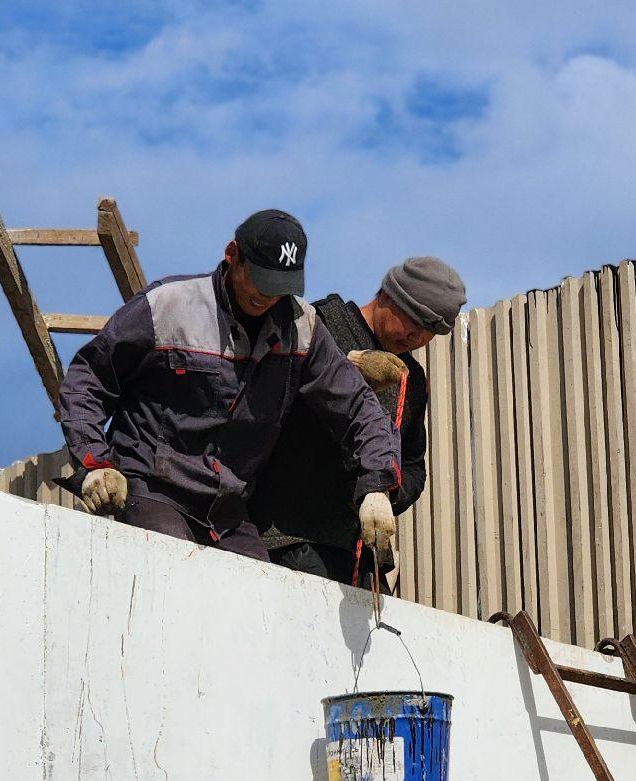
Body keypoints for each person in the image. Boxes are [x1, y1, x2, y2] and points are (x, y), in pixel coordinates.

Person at [55, 209, 400, 561]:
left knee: (260, 597)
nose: (267, 297)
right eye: (260, 279)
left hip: (228, 512)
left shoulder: (303, 330)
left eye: (280, 287)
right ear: (232, 255)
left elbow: (360, 407)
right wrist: (94, 464)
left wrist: (377, 485)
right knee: (170, 566)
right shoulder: (167, 308)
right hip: (151, 491)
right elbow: (88, 379)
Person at [250, 256, 466, 589]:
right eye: (414, 322)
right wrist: (347, 370)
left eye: (430, 332)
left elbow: (412, 466)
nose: (417, 338)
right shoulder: (321, 326)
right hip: (293, 537)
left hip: (364, 558)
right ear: (388, 296)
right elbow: (267, 403)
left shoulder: (412, 380)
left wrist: (382, 494)